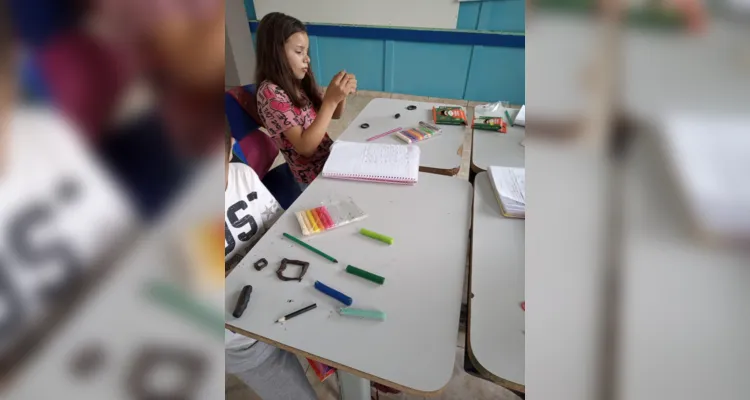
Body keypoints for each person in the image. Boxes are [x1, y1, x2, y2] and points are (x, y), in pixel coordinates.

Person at [223, 130, 318, 400]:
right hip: (242, 340)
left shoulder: (243, 176)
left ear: (229, 148)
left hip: (284, 297)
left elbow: (279, 232)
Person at [255, 12, 357, 192]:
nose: (307, 58)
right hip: (313, 180)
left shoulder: (299, 82)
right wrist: (331, 101)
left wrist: (340, 94)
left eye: (306, 52)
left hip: (330, 161)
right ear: (275, 52)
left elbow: (334, 115)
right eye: (299, 51)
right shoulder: (270, 93)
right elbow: (306, 147)